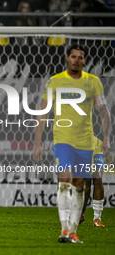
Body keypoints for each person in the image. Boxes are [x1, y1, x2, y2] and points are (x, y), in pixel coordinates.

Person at [33, 43, 111, 243]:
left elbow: (103, 111)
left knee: (80, 184)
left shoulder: (93, 82)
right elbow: (42, 112)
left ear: (85, 60)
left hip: (86, 141)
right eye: (73, 56)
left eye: (81, 57)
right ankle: (64, 229)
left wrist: (107, 137)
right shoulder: (55, 82)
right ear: (67, 58)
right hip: (63, 140)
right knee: (64, 180)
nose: (77, 60)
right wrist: (37, 142)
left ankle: (73, 231)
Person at [79, 136, 105, 227]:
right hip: (83, 146)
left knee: (97, 178)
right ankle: (81, 213)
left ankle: (97, 218)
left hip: (97, 144)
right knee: (87, 182)